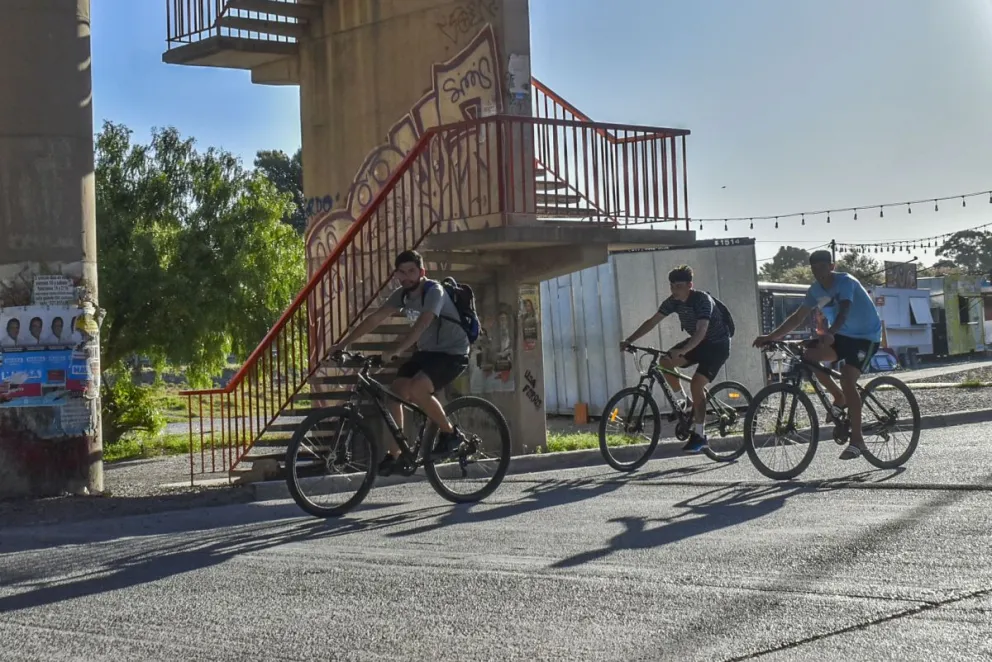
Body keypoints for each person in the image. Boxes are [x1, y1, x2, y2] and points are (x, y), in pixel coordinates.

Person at [329, 249, 470, 476]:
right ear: (396, 274)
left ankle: (450, 434)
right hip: (427, 352)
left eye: (411, 271)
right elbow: (375, 318)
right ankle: (396, 455)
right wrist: (343, 344)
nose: (407, 277)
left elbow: (423, 323)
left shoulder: (434, 291)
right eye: (401, 272)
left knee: (417, 388)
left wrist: (396, 351)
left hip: (452, 352)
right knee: (394, 394)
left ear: (422, 271)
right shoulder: (402, 294)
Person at [753, 249, 882, 461]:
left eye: (822, 267)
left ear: (832, 266)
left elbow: (844, 311)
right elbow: (798, 317)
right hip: (840, 336)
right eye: (813, 268)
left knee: (849, 381)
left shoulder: (845, 282)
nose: (817, 271)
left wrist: (831, 333)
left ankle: (858, 440)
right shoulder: (814, 290)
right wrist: (771, 336)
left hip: (866, 337)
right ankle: (838, 397)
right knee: (810, 357)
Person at [620, 265, 733, 454]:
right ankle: (686, 402)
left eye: (679, 286)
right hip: (697, 343)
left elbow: (701, 330)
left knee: (697, 384)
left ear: (690, 285)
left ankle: (700, 435)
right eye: (672, 286)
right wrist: (629, 340)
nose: (674, 290)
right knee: (665, 362)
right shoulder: (673, 301)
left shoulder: (702, 300)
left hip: (716, 346)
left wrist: (685, 350)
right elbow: (652, 321)